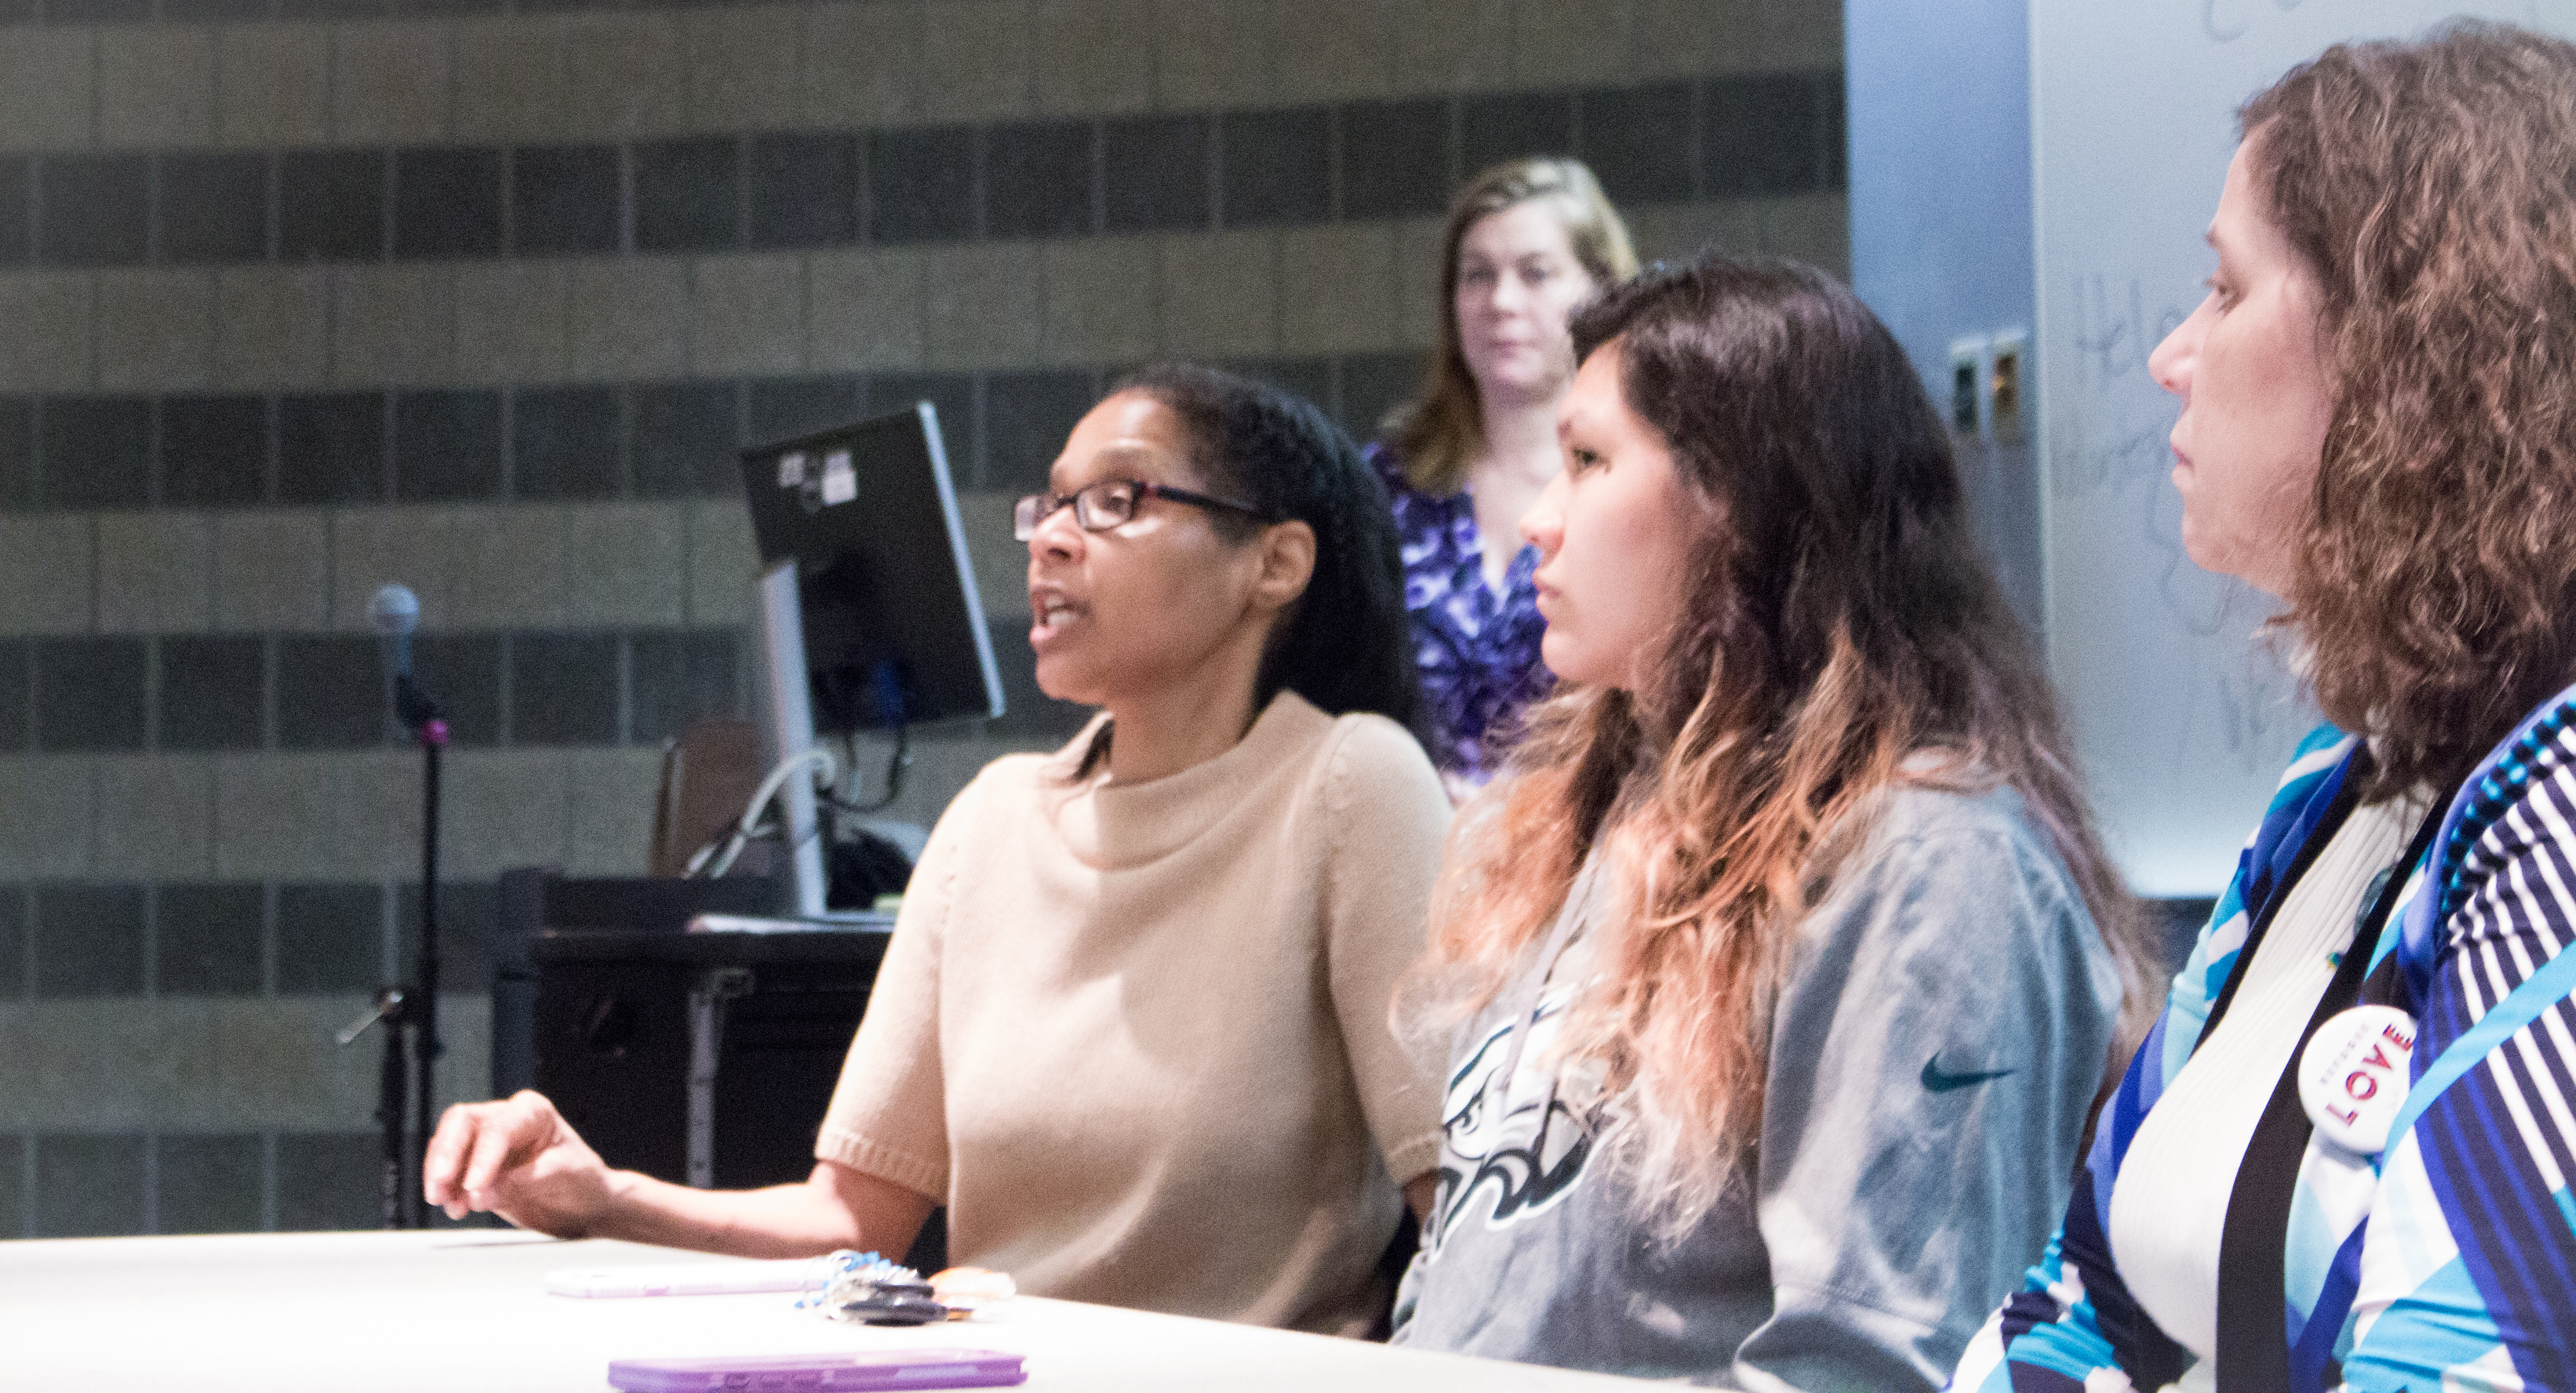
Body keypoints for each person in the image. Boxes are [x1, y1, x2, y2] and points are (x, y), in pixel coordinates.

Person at [423, 365, 1453, 1337]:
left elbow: (1463, 1204)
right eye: (1048, 505)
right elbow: (847, 1226)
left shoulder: (1351, 783)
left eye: (1117, 500)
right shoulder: (992, 819)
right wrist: (604, 1196)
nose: (1050, 539)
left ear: (1274, 562)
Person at [1388, 254, 2161, 1390]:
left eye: (1588, 462)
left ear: (1739, 504)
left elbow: (1871, 1360)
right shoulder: (1583, 815)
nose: (1541, 521)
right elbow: (1464, 1280)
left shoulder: (1929, 862)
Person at [1951, 23, 2576, 1393]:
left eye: (2225, 291)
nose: (2173, 355)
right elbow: (2081, 1295)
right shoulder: (2340, 781)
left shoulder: (2562, 804)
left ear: (2405, 360)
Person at [1373, 157, 1640, 790]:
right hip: (1408, 846)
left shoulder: (1639, 483)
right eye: (1478, 276)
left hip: (1587, 848)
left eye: (1536, 273)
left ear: (1600, 290)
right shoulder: (1387, 484)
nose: (1502, 302)